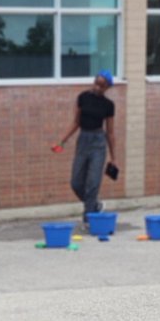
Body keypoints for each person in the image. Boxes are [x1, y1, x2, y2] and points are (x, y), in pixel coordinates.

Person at [53, 71, 117, 228]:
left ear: (107, 87)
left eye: (102, 85)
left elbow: (110, 132)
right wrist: (62, 141)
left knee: (93, 183)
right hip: (83, 140)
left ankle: (89, 219)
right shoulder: (83, 97)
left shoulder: (109, 105)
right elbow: (76, 122)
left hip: (98, 142)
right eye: (96, 82)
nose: (97, 86)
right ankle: (94, 205)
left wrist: (114, 158)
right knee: (76, 182)